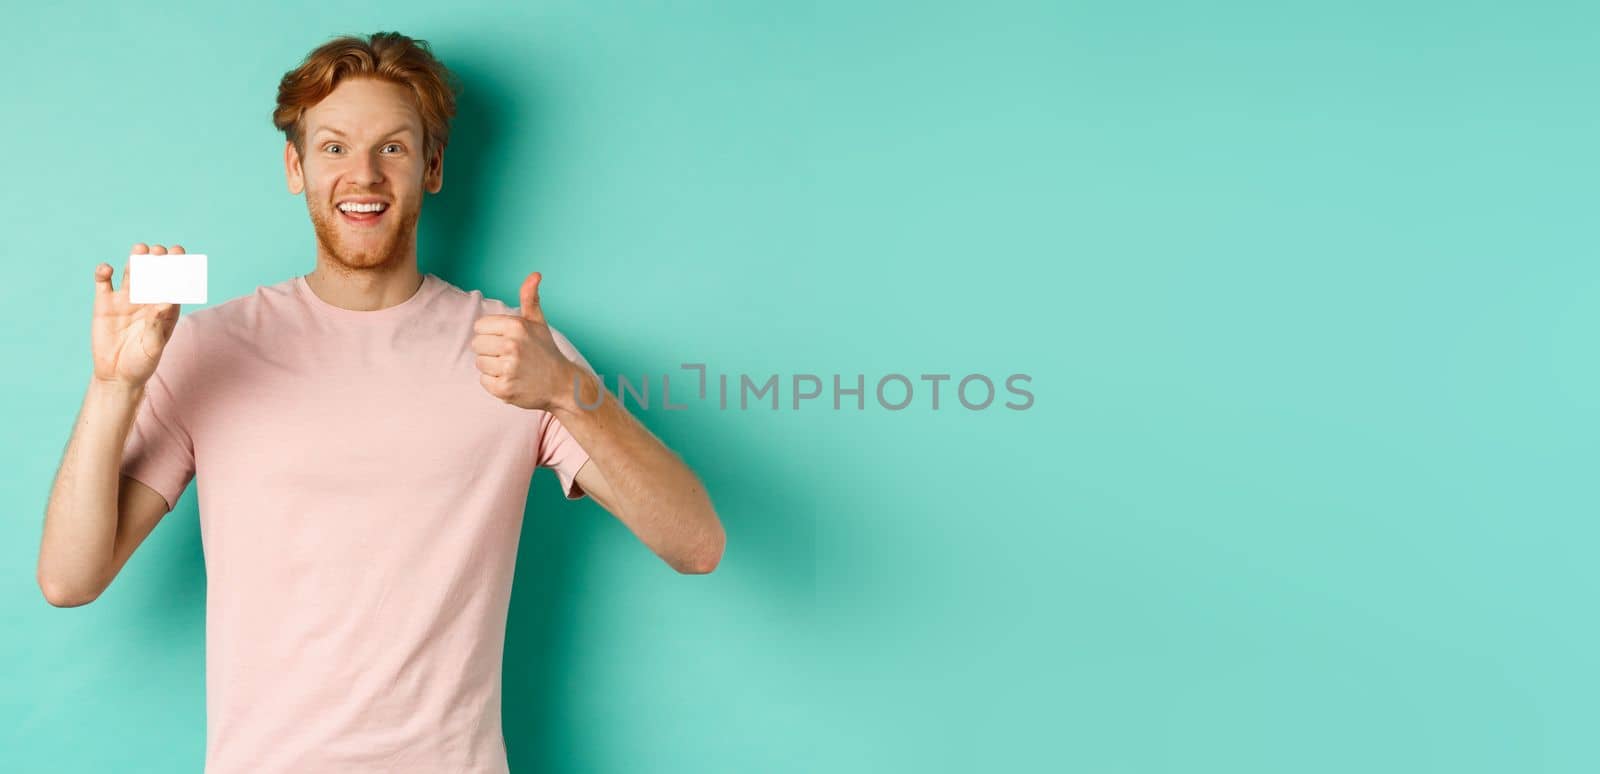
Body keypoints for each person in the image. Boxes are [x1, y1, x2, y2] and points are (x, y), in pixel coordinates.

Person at [36, 31, 724, 774]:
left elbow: (696, 544)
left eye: (392, 148)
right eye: (333, 147)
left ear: (430, 167)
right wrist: (114, 387)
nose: (362, 174)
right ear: (295, 166)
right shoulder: (208, 347)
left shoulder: (519, 351)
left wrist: (566, 393)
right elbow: (70, 579)